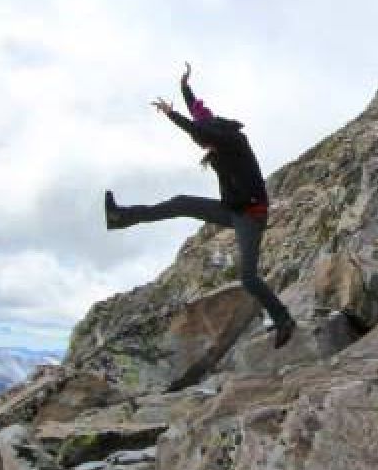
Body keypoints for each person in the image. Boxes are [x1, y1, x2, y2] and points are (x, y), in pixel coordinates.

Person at [106, 64, 296, 347]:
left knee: (248, 278)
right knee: (181, 202)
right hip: (232, 209)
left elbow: (198, 126)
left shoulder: (233, 141)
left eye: (203, 143)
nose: (202, 148)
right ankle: (121, 217)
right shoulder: (217, 130)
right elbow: (200, 114)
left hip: (251, 215)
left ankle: (283, 319)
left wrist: (172, 116)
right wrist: (185, 89)